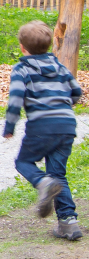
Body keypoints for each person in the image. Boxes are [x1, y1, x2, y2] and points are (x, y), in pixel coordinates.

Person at [5, 20, 83, 241]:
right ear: (49, 45)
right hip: (66, 126)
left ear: (22, 47)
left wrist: (9, 126)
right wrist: (63, 105)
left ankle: (43, 183)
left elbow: (15, 100)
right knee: (58, 175)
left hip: (41, 127)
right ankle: (68, 223)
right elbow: (76, 92)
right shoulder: (60, 67)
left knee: (23, 162)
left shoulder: (22, 69)